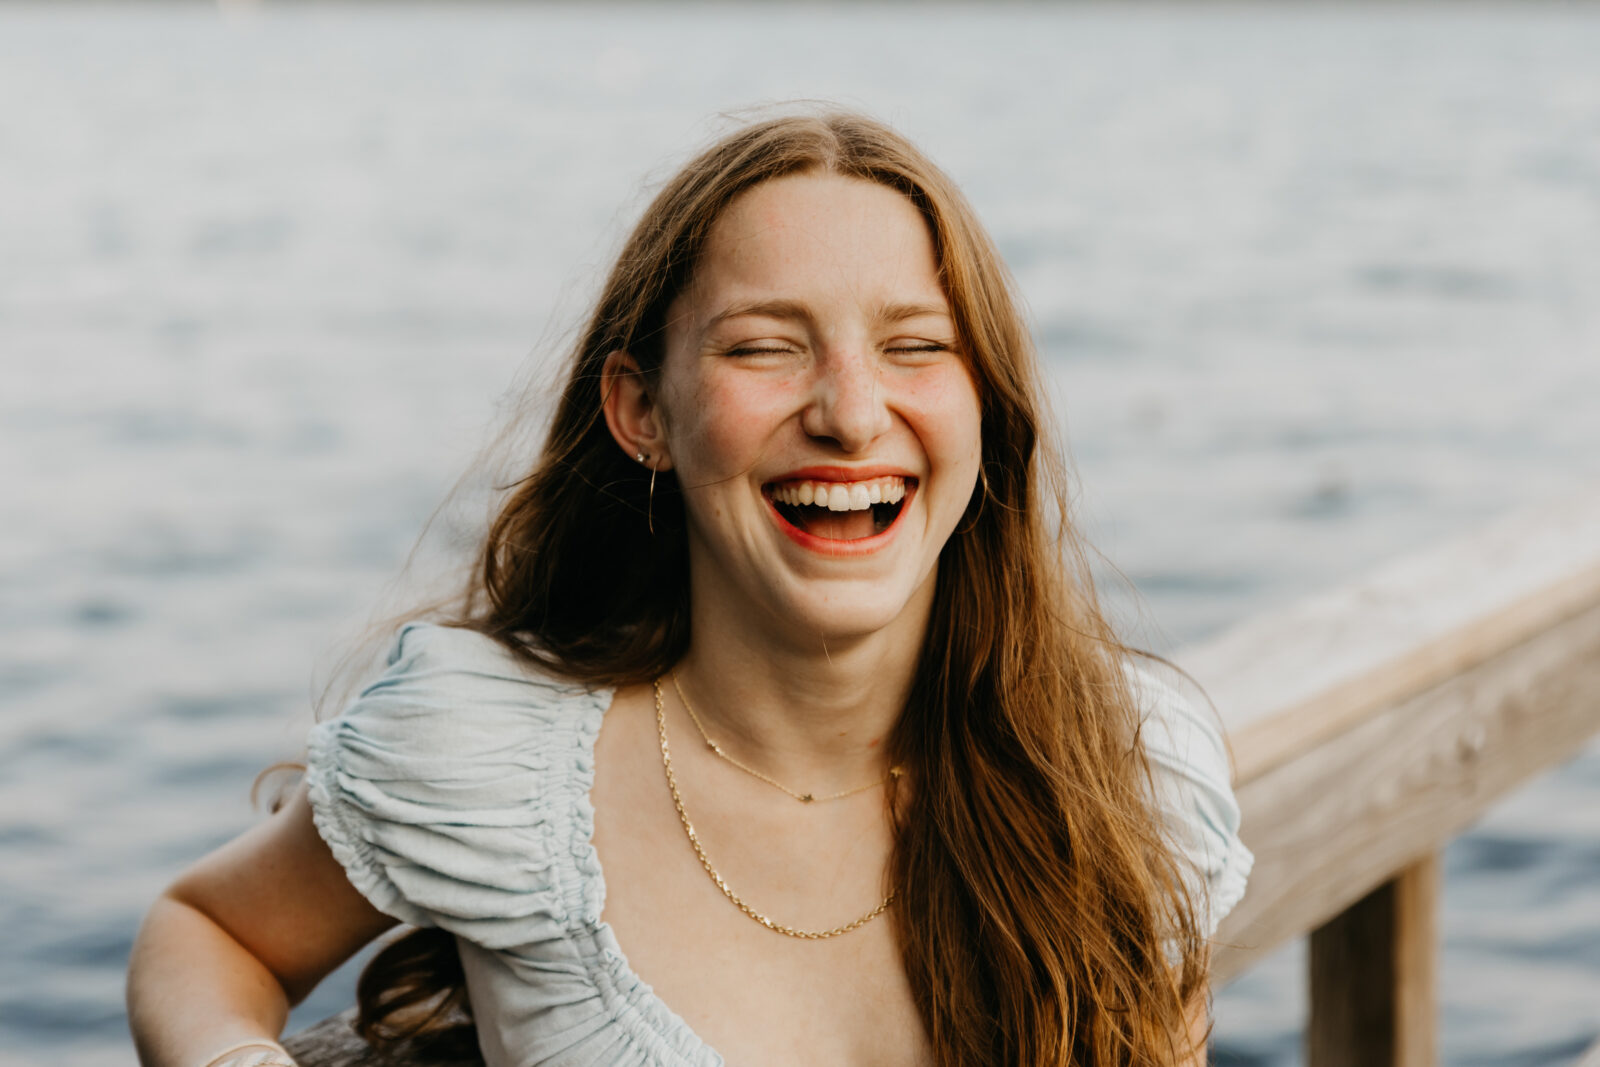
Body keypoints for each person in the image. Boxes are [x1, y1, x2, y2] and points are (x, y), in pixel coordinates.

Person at [126, 110, 1251, 1067]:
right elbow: (208, 929)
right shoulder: (486, 759)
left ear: (986, 412)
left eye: (915, 347)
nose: (852, 413)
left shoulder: (1124, 776)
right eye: (765, 348)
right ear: (642, 412)